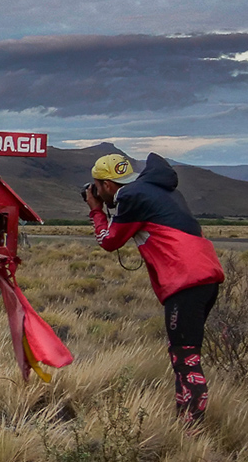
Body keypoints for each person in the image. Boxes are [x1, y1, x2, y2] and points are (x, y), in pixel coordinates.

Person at [83, 152, 225, 423]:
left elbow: (109, 241)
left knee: (185, 359)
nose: (97, 191)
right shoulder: (158, 190)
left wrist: (96, 211)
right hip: (205, 277)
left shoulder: (130, 196)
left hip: (185, 281)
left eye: (98, 186)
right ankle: (187, 422)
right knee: (185, 354)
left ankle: (190, 430)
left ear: (109, 185)